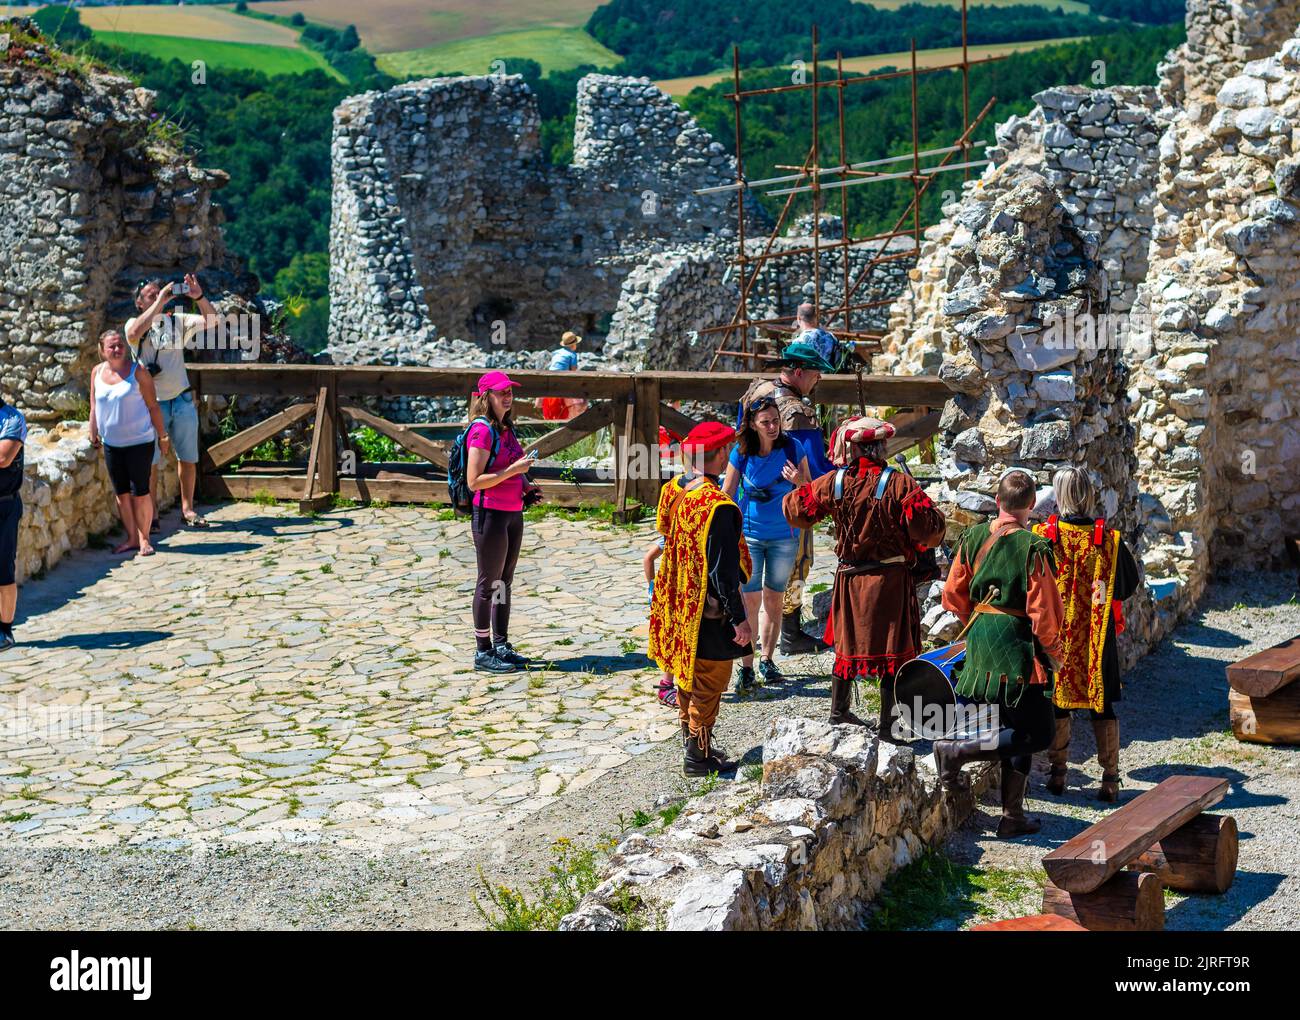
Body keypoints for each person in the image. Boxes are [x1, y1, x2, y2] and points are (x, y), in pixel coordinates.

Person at [783, 416, 946, 730]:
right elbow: (929, 530)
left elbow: (795, 510)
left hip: (850, 580)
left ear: (853, 449)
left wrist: (806, 490)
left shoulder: (835, 482)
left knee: (847, 647)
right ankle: (888, 725)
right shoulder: (899, 483)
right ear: (880, 446)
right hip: (890, 582)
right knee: (892, 652)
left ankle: (838, 712)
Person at [935, 468, 1066, 838]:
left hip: (980, 647)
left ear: (998, 502)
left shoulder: (974, 536)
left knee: (1015, 727)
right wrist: (1054, 653)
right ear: (1031, 506)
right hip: (1018, 654)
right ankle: (955, 752)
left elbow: (953, 594)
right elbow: (1044, 613)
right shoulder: (1034, 547)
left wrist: (976, 626)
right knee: (1039, 733)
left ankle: (1012, 816)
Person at [648, 421, 754, 777]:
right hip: (708, 611)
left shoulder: (675, 490)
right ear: (721, 453)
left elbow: (667, 536)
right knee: (710, 682)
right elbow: (723, 573)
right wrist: (739, 619)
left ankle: (691, 742)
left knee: (686, 677)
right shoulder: (719, 507)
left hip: (678, 604)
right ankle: (698, 756)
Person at [1032, 467, 1140, 802]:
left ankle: (1058, 775)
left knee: (1058, 703)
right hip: (1097, 637)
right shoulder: (1109, 541)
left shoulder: (1043, 537)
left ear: (1059, 496)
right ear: (1088, 495)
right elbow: (1126, 586)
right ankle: (1110, 780)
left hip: (1057, 637)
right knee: (1102, 704)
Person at [739, 340, 836, 656]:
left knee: (758, 582)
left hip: (753, 502)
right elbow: (813, 464)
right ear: (798, 371)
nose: (818, 379)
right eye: (815, 373)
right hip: (788, 505)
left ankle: (762, 643)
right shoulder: (795, 411)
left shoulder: (760, 394)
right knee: (798, 563)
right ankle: (790, 634)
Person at [722, 394, 812, 692]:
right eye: (766, 422)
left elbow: (810, 490)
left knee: (774, 599)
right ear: (752, 423)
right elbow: (726, 495)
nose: (773, 426)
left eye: (775, 420)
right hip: (748, 537)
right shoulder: (741, 452)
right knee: (750, 601)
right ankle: (746, 667)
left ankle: (767, 659)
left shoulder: (792, 447)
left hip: (785, 536)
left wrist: (799, 480)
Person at [126, 274, 221, 530]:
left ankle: (187, 509)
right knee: (151, 462)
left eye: (160, 293)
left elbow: (213, 322)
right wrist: (159, 303)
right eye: (150, 295)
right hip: (151, 404)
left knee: (188, 457)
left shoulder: (176, 322)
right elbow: (135, 333)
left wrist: (198, 296)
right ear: (139, 303)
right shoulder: (133, 324)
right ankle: (152, 514)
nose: (158, 297)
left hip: (180, 398)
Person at [465, 370, 539, 674]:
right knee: (488, 583)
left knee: (504, 582)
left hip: (511, 512)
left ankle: (501, 645)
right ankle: (483, 651)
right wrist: (514, 471)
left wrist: (526, 487)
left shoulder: (506, 428)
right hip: (490, 514)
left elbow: (514, 467)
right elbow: (474, 481)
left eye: (510, 391)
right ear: (486, 397)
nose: (507, 396)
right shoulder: (481, 431)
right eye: (501, 392)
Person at [89, 330, 171, 557]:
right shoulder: (96, 372)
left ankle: (145, 539)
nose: (117, 350)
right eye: (111, 347)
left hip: (139, 442)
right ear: (102, 350)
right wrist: (92, 432)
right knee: (121, 493)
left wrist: (163, 437)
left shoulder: (139, 372)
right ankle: (132, 538)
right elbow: (95, 406)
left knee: (140, 492)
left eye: (120, 345)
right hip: (111, 444)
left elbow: (153, 406)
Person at [0, 394, 27, 652]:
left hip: (3, 505)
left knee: (3, 570)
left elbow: (3, 458)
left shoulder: (12, 419)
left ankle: (5, 631)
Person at [642, 536, 675, 706]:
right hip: (673, 594)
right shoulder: (673, 533)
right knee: (673, 639)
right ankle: (666, 685)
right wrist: (652, 588)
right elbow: (648, 558)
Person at [540, 331, 586, 421]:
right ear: (573, 345)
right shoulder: (573, 355)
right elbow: (573, 371)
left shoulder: (556, 352)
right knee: (578, 398)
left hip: (550, 378)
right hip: (562, 379)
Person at [793, 301, 841, 370]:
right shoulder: (831, 337)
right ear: (816, 317)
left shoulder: (798, 342)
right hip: (831, 378)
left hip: (810, 379)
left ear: (799, 318)